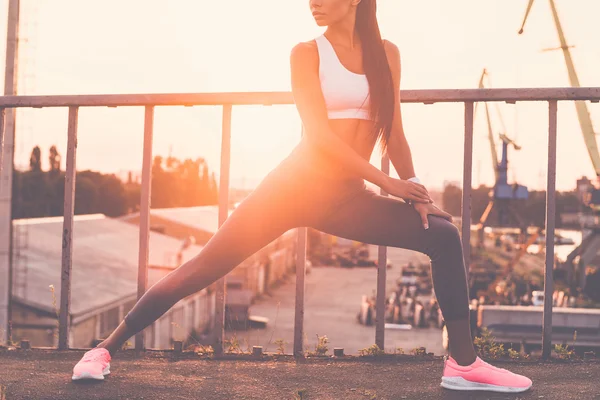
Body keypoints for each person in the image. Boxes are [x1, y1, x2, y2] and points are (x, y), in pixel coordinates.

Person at [72, 0, 532, 393]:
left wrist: (416, 195)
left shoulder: (385, 54)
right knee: (202, 267)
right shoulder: (306, 53)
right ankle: (104, 350)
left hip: (345, 198)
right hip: (290, 190)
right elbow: (318, 138)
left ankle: (463, 365)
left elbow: (394, 132)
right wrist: (388, 183)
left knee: (444, 235)